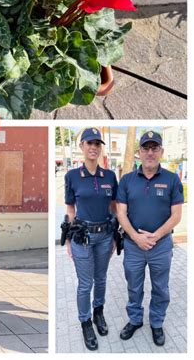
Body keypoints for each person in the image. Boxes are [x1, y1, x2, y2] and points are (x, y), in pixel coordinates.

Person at [116, 131, 184, 347]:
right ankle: (135, 320)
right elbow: (121, 213)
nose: (150, 152)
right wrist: (136, 237)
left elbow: (176, 216)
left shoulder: (172, 179)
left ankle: (156, 323)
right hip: (133, 246)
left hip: (161, 245)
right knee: (134, 286)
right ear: (139, 153)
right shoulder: (127, 180)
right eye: (146, 148)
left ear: (161, 152)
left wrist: (155, 236)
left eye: (155, 148)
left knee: (160, 287)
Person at [63, 128, 119, 351]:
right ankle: (85, 321)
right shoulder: (72, 176)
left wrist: (116, 235)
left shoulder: (110, 176)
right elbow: (70, 208)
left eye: (97, 143)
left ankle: (99, 313)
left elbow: (114, 207)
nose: (94, 147)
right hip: (83, 237)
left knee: (102, 278)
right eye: (89, 143)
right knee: (85, 284)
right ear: (82, 147)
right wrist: (68, 240)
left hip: (105, 236)